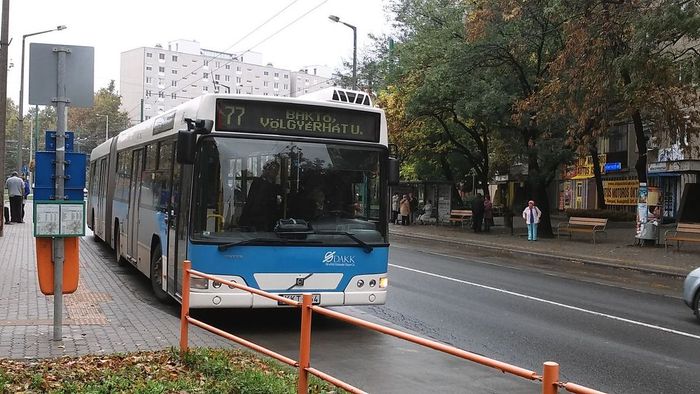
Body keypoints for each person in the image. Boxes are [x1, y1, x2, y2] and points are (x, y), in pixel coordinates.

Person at [238, 161, 282, 231]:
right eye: (274, 171)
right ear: (267, 171)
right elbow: (255, 203)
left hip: (269, 223)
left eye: (277, 171)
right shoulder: (258, 183)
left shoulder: (275, 186)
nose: (276, 174)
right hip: (256, 222)